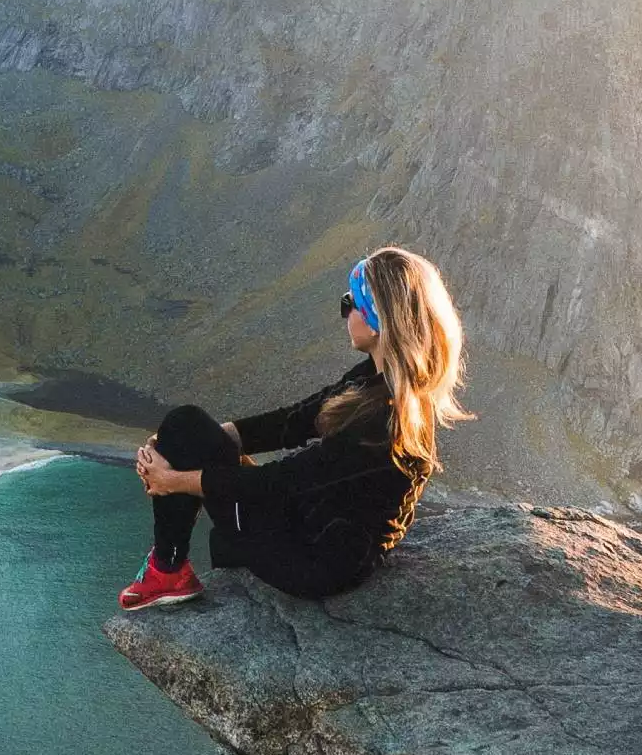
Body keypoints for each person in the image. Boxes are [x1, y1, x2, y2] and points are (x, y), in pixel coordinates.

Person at [122, 246, 474, 610]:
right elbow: (294, 421)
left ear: (375, 319)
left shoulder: (384, 419)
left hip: (315, 561)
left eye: (349, 303)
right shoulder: (375, 381)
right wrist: (184, 442)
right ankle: (167, 569)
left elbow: (280, 483)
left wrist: (173, 480)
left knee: (190, 435)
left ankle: (167, 570)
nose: (343, 313)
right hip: (311, 523)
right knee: (186, 423)